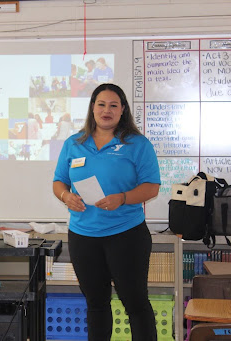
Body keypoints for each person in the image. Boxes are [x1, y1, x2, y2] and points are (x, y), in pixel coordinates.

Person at [52, 84, 160, 341]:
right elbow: (59, 181)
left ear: (122, 110)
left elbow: (152, 187)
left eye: (113, 105)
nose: (107, 110)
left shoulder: (137, 144)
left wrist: (122, 198)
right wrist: (66, 196)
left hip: (126, 235)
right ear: (92, 108)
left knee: (135, 303)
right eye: (101, 104)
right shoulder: (73, 143)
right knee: (96, 304)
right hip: (83, 236)